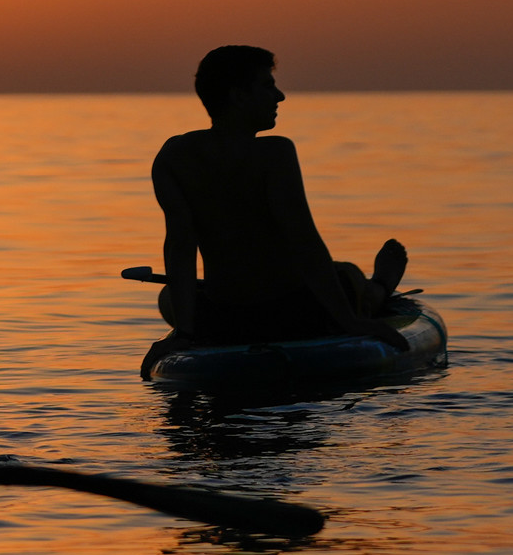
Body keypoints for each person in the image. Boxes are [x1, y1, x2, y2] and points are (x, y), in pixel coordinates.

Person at [149, 45, 409, 356]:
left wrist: (184, 332)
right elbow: (304, 241)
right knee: (349, 276)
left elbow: (179, 245)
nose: (280, 96)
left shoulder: (173, 156)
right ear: (239, 96)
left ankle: (373, 286)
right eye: (268, 86)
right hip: (293, 312)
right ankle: (381, 285)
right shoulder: (275, 153)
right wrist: (349, 322)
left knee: (170, 296)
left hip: (226, 318)